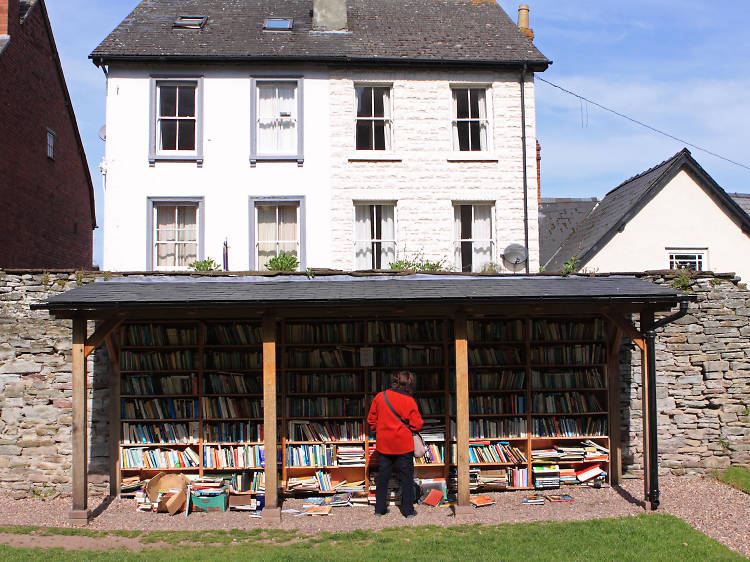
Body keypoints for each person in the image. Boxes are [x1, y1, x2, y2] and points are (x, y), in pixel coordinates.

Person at [367, 370, 423, 517]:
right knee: (406, 478)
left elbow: (371, 420)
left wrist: (379, 431)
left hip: (384, 444)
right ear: (409, 384)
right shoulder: (409, 401)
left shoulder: (380, 397)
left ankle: (380, 509)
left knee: (383, 477)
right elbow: (417, 425)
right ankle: (408, 511)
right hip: (404, 445)